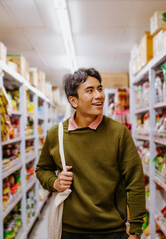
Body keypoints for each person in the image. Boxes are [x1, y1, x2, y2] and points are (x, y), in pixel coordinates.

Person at [36, 68, 146, 239]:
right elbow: (42, 169)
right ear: (74, 101)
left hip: (112, 230)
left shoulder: (119, 132)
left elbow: (135, 181)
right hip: (69, 231)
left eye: (100, 88)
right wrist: (54, 183)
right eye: (90, 91)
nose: (99, 95)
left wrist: (136, 229)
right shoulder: (56, 134)